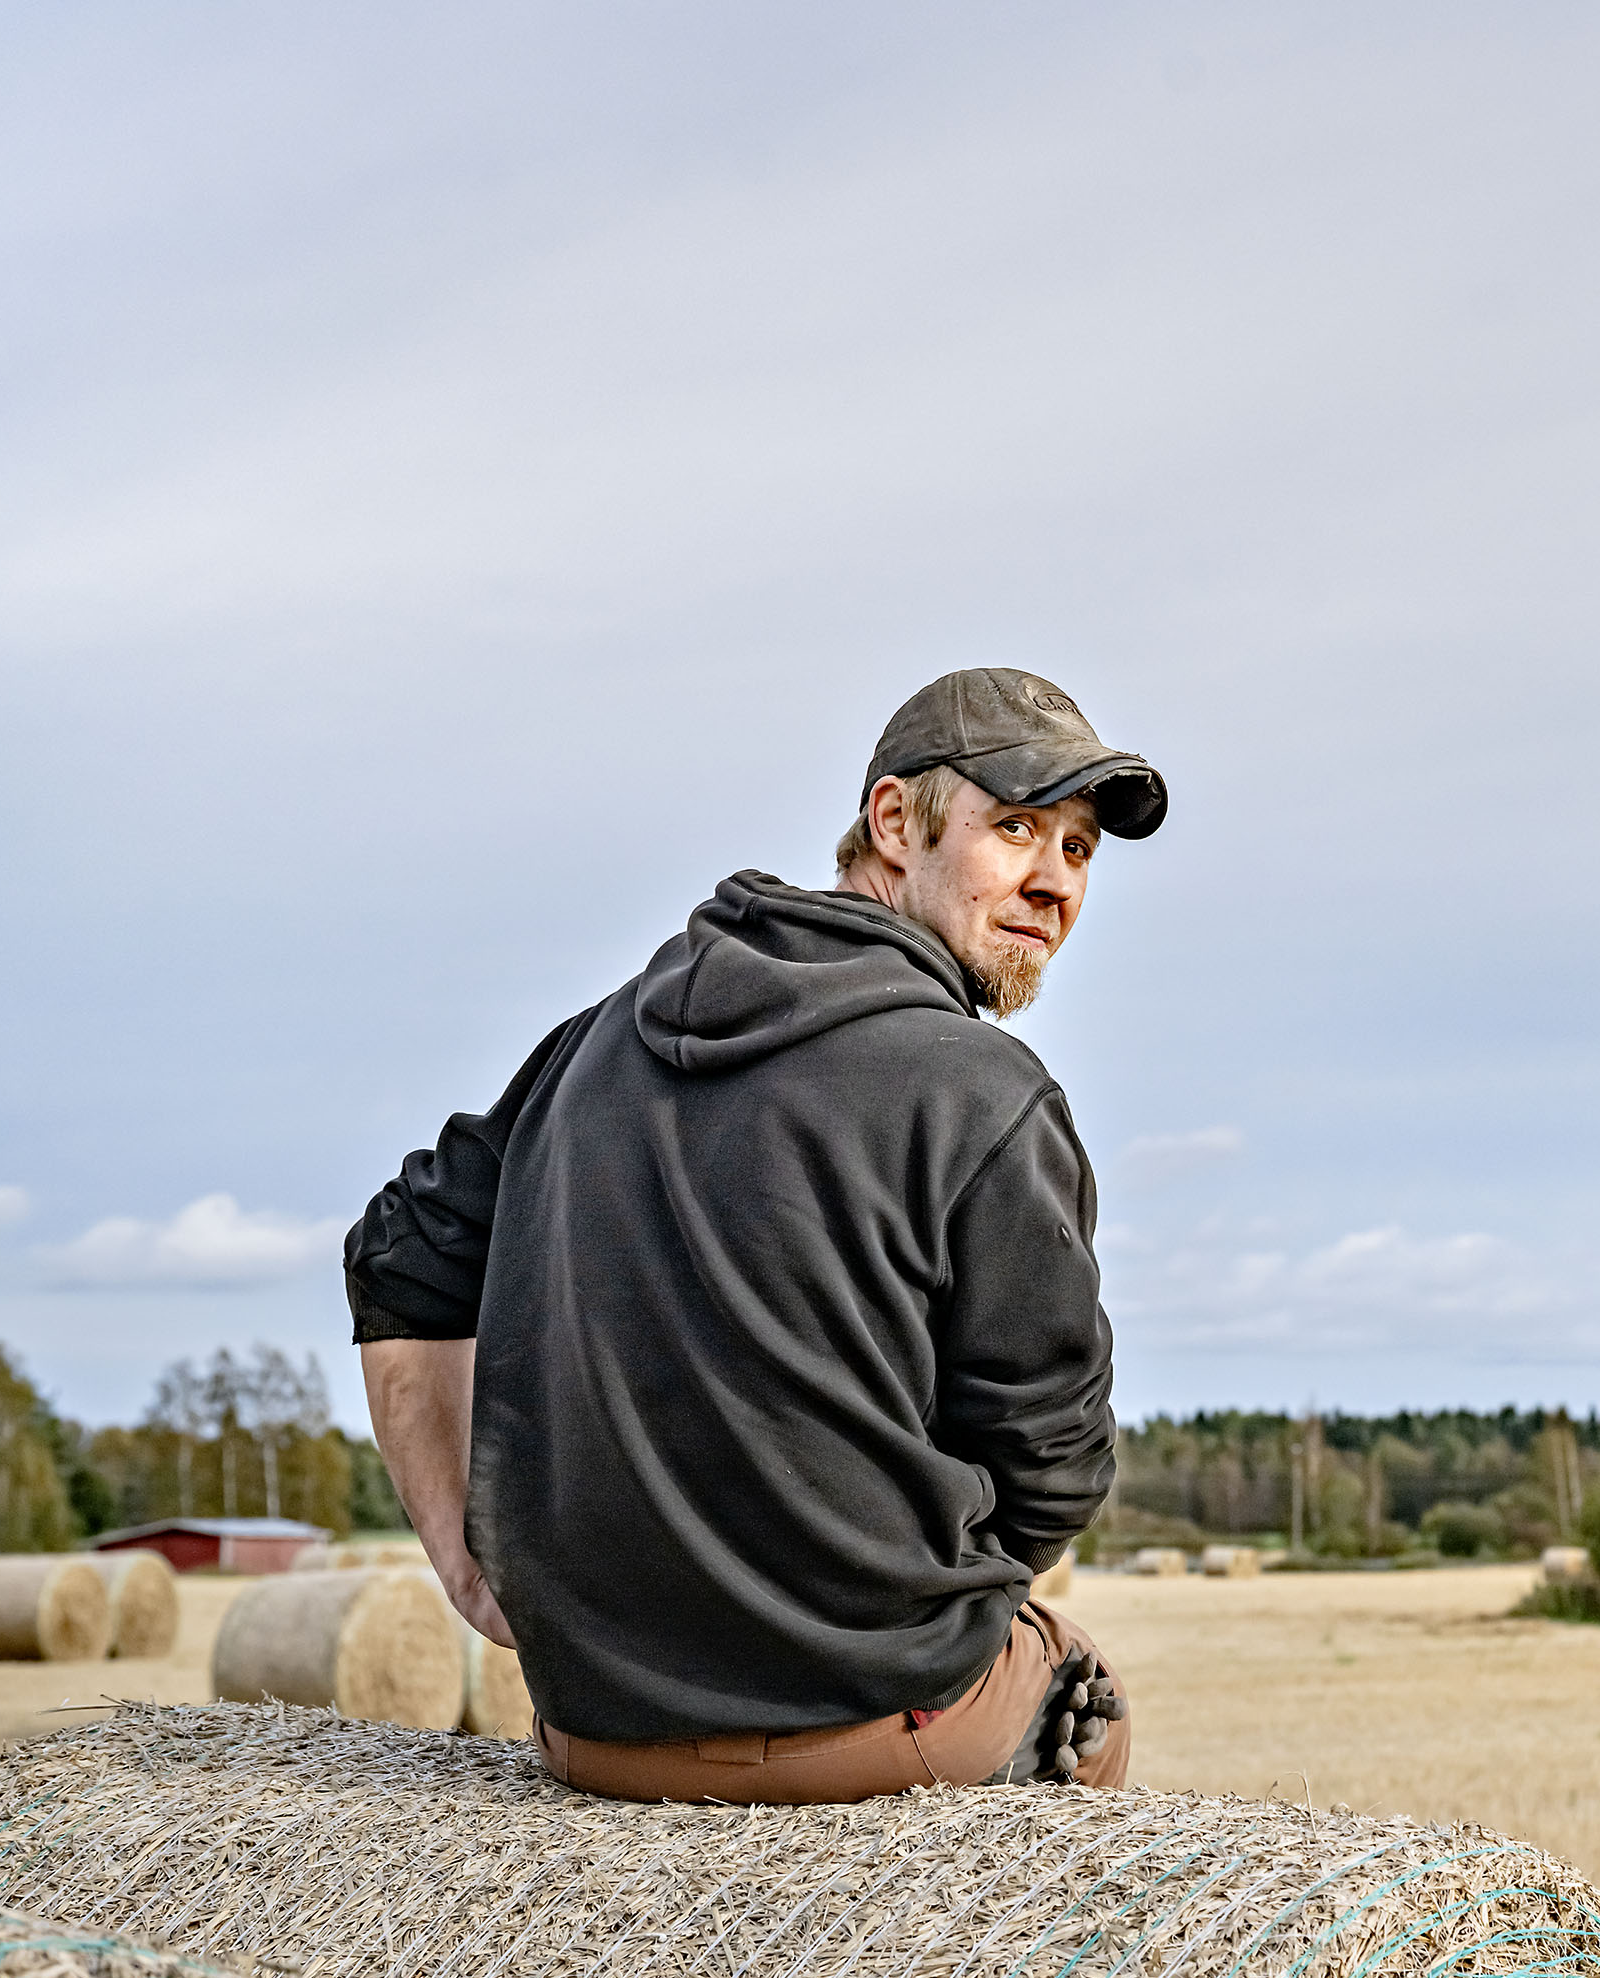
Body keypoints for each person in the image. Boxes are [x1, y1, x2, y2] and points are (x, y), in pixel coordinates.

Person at [342, 668, 1162, 1802]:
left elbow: (400, 1250)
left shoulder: (605, 1033)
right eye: (1015, 827)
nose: (1052, 881)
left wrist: (470, 1563)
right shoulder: (984, 1093)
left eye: (1079, 849)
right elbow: (1054, 1467)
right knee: (1085, 1697)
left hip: (589, 1729)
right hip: (873, 1722)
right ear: (892, 822)